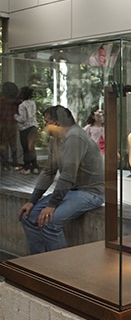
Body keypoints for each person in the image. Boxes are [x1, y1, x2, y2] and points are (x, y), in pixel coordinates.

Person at [18, 105, 105, 254]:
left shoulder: (75, 137)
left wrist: (52, 205)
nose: (44, 126)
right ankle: (39, 264)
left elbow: (68, 175)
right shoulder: (56, 140)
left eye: (47, 122)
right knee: (28, 217)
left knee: (49, 222)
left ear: (56, 123)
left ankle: (61, 270)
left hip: (91, 192)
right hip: (72, 191)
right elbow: (49, 171)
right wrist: (32, 201)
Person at [14, 86, 39, 174]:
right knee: (31, 147)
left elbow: (23, 119)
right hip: (34, 126)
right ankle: (35, 166)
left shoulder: (22, 105)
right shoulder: (32, 103)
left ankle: (27, 167)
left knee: (26, 148)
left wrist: (15, 116)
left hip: (25, 128)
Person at [0, 81, 20, 171]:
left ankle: (5, 164)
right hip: (13, 123)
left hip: (2, 123)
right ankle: (15, 163)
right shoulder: (16, 101)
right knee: (13, 144)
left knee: (3, 144)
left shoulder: (2, 99)